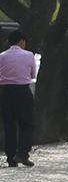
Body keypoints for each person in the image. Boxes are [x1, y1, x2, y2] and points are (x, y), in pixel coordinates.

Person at [0, 30, 36, 167]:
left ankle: (10, 157)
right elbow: (32, 74)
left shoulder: (2, 56)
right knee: (27, 124)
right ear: (22, 41)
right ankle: (22, 153)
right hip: (22, 91)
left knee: (9, 125)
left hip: (6, 91)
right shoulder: (28, 55)